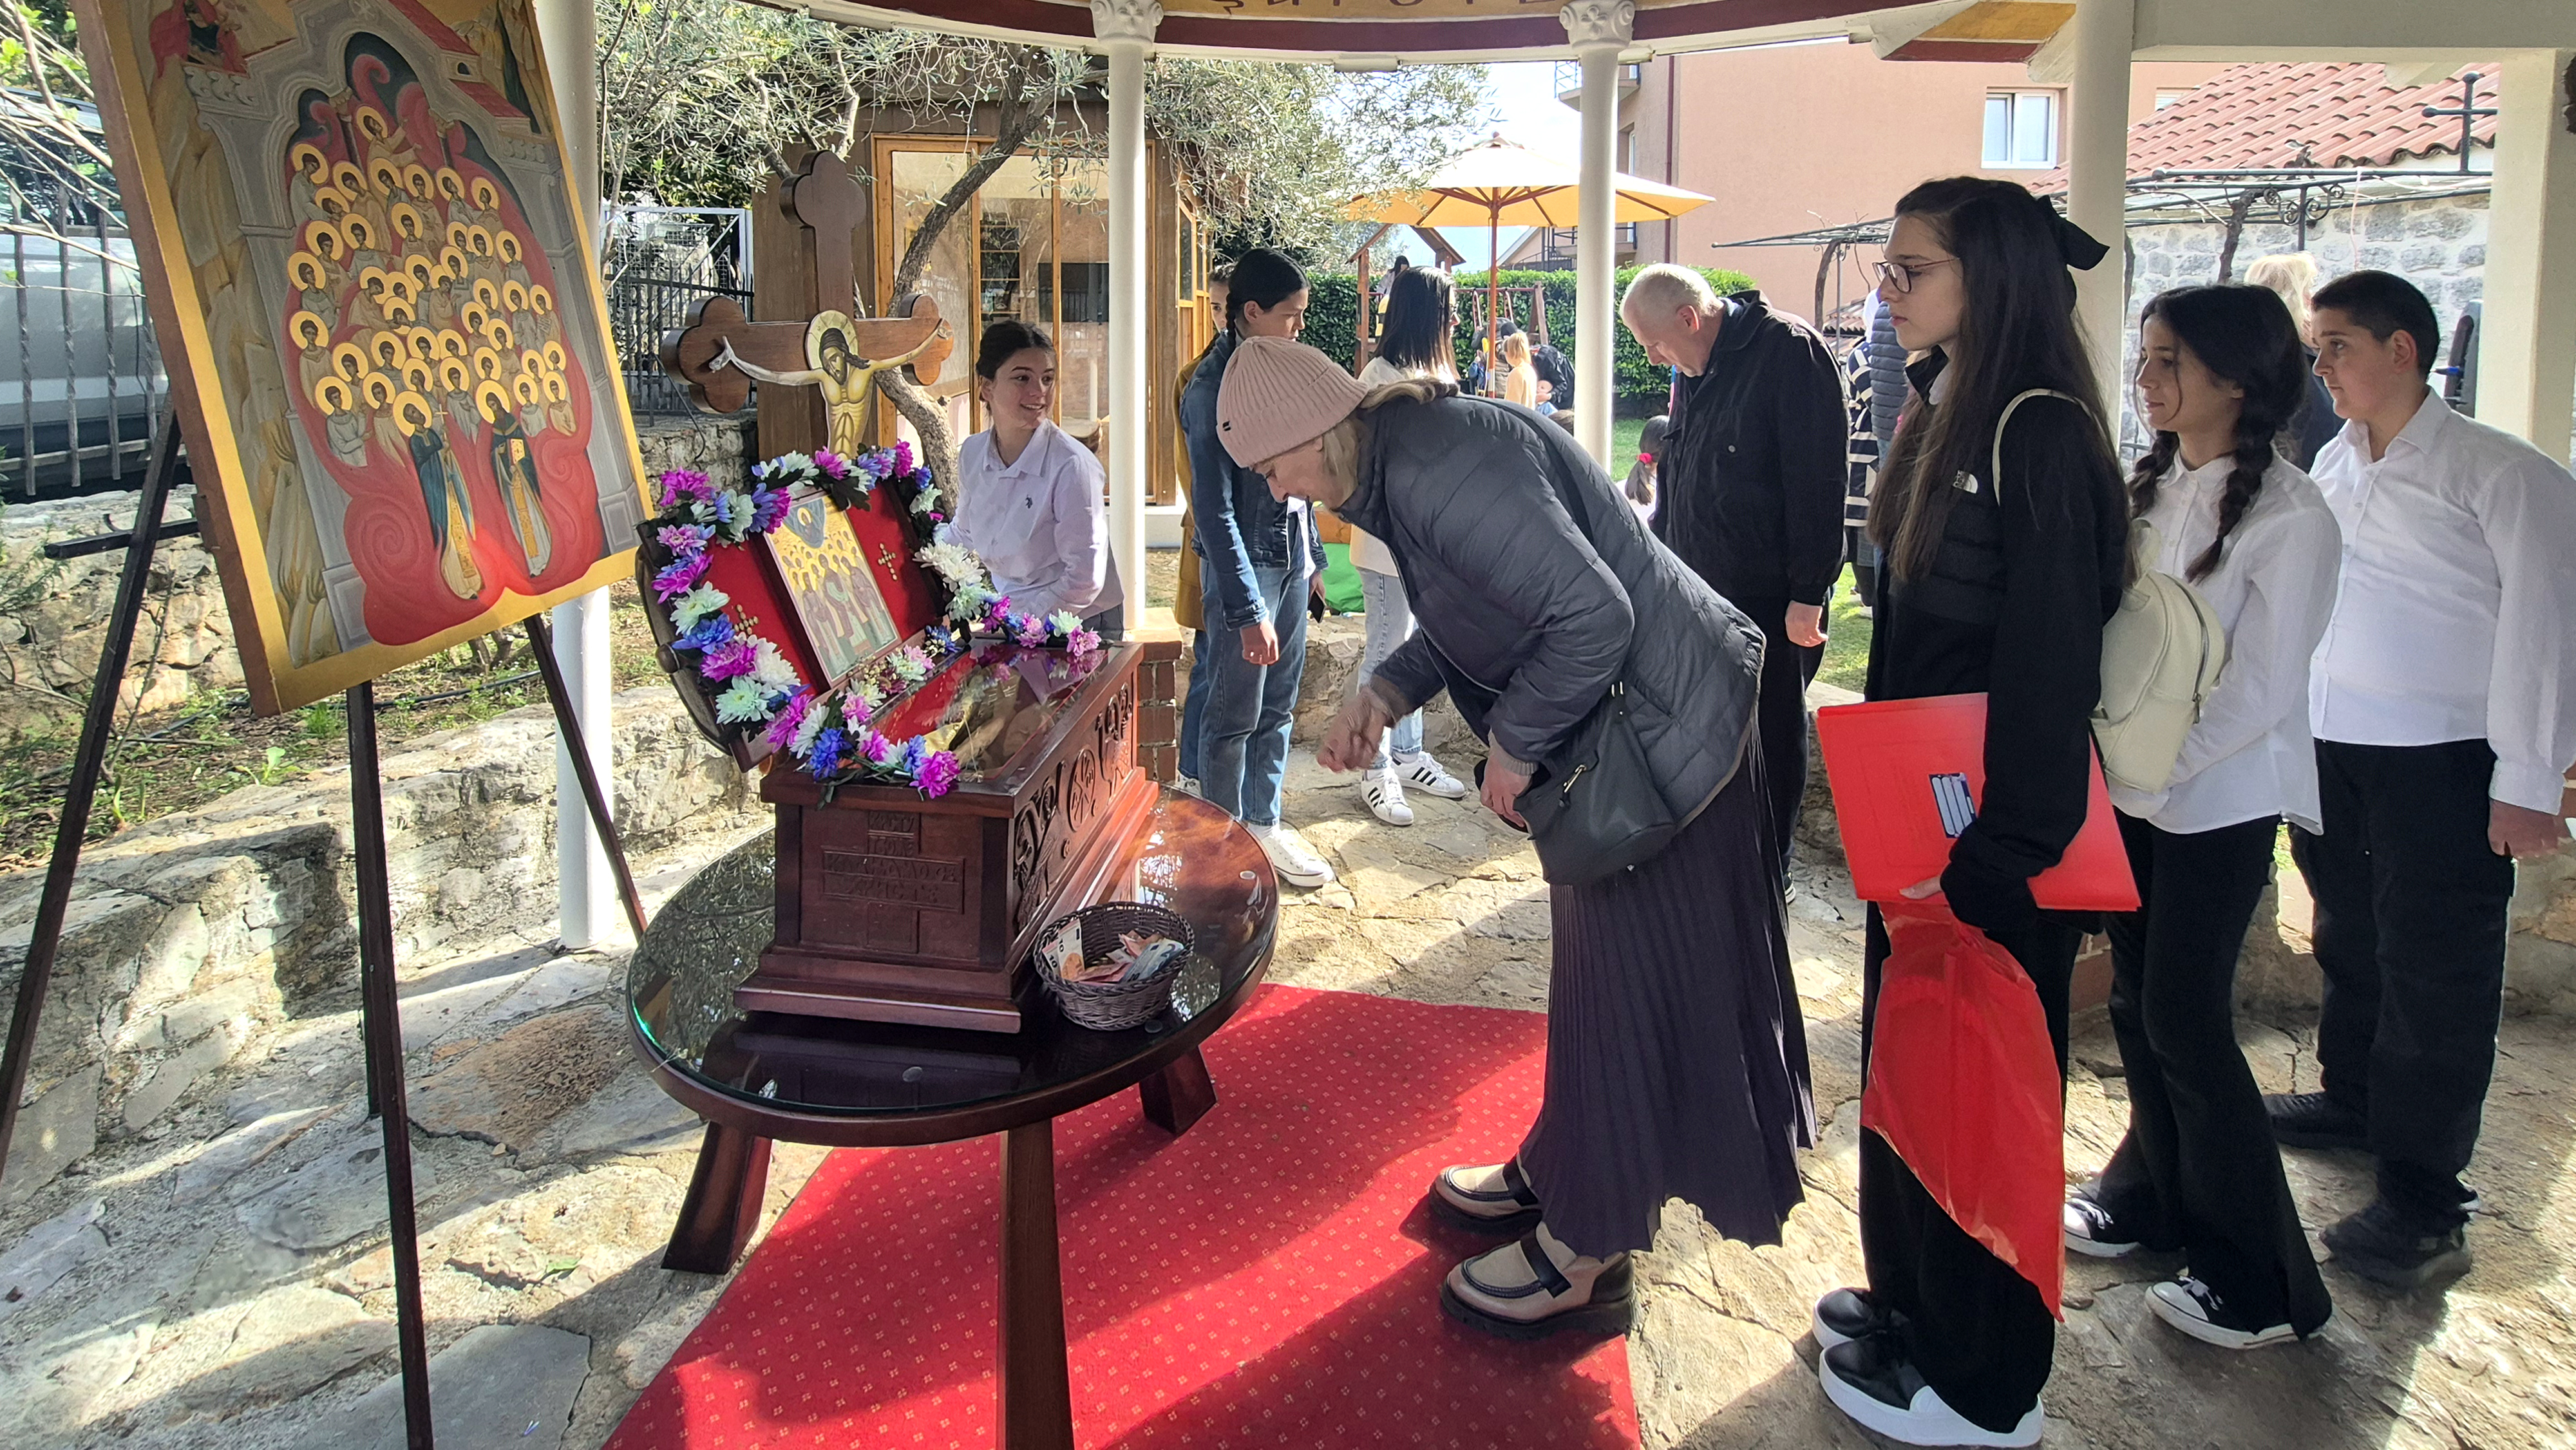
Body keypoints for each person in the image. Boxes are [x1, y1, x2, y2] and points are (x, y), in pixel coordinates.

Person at [1218, 335, 1814, 1341]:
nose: (1274, 489)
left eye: (1273, 467)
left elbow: (1591, 616)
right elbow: (1484, 607)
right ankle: (1566, 1164)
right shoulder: (1408, 458)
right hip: (1641, 735)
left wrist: (1516, 744)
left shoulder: (1443, 463)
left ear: (1319, 434)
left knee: (1632, 990)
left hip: (1674, 739)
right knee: (1595, 981)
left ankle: (1587, 1248)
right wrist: (1386, 688)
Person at [1812, 177, 2127, 1449]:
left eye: (1908, 270)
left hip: (1991, 839)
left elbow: (2054, 662)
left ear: (1985, 280)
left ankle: (1984, 1383)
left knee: (1980, 1097)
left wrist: (2004, 852)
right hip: (1924, 827)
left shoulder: (2037, 431)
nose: (1884, 293)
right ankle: (1916, 1308)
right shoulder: (1950, 403)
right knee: (1911, 1077)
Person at [2271, 268, 2576, 1290]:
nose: (2324, 369)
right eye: (2318, 350)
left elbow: (2546, 631)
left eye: (2339, 348)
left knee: (2437, 970)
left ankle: (2425, 1198)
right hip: (2336, 746)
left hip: (2445, 763)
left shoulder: (2502, 473)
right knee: (2350, 936)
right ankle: (2352, 1097)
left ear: (2404, 350)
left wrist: (2530, 776)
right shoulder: (2338, 462)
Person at [2059, 285, 2340, 1351]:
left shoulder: (2290, 515)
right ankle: (2154, 1196)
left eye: (2169, 359)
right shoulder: (2155, 487)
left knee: (2186, 1017)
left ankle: (2263, 1276)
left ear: (2237, 376)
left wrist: (2161, 774)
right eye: (2147, 356)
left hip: (2215, 803)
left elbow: (2265, 687)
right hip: (2133, 792)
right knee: (2137, 1005)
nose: (2147, 376)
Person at [1620, 263, 1847, 878]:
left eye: (1654, 342)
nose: (1651, 356)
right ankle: (1718, 852)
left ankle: (1771, 864)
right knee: (1708, 725)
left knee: (1772, 728)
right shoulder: (1695, 364)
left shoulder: (1790, 354)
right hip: (1698, 589)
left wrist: (1809, 592)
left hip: (1771, 598)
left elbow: (1820, 482)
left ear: (1689, 319)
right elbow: (1682, 469)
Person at [1180, 248, 1334, 888]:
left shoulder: (1282, 371)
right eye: (1290, 315)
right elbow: (1212, 511)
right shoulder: (1210, 387)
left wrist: (1317, 558)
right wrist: (1245, 609)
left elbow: (1303, 480)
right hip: (1245, 566)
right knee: (1231, 715)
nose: (1299, 328)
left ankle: (1264, 827)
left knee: (1279, 707)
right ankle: (1220, 844)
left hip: (1291, 558)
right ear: (1250, 312)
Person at [1347, 261, 1471, 825]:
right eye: (1447, 311)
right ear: (1428, 314)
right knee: (1385, 646)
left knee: (1422, 642)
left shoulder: (1432, 368)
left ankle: (1409, 751)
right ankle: (1373, 766)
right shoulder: (1378, 378)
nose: (1455, 320)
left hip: (1428, 544)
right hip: (1387, 545)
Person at [951, 320, 1122, 636]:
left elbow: (1085, 577)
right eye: (1022, 378)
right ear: (987, 387)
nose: (1039, 392)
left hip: (1080, 619)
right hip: (1013, 615)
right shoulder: (973, 454)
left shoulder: (1072, 466)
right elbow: (963, 533)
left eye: (1047, 379)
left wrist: (1021, 622)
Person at [1174, 263, 1232, 793]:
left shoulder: (1267, 374)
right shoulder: (1193, 378)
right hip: (1208, 539)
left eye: (1228, 305)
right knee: (1207, 661)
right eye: (1213, 306)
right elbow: (1190, 473)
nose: (1221, 317)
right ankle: (1191, 771)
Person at [2244, 252, 2342, 470]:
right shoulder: (2287, 362)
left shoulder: (2305, 354)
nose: (2312, 299)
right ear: (2294, 298)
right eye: (2307, 289)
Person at [1496, 330, 1538, 408]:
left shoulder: (1516, 373)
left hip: (1517, 418)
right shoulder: (1530, 370)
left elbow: (1512, 405)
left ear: (1509, 353)